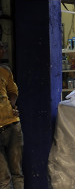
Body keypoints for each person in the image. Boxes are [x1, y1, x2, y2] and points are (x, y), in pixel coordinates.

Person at [0, 42, 23, 189]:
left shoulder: (5, 71)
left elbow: (13, 92)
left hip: (12, 126)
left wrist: (12, 105)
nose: (3, 51)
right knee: (4, 177)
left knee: (16, 172)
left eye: (4, 48)